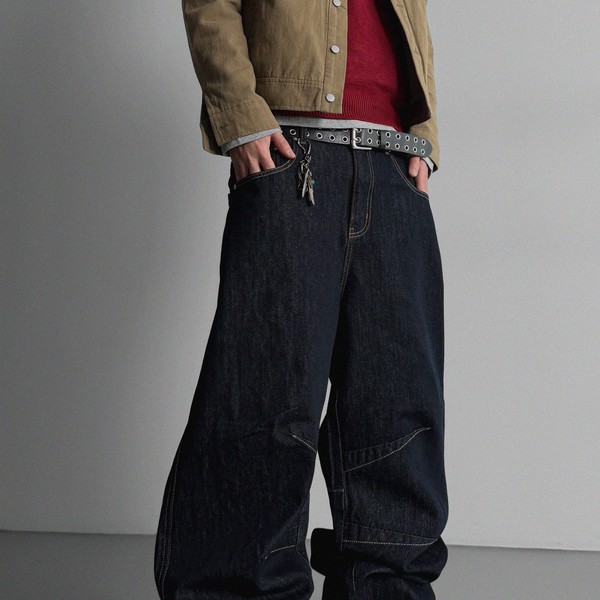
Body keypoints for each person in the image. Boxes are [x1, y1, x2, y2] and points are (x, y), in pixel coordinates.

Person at [154, 1, 449, 598]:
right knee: (265, 399)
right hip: (292, 157)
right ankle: (236, 588)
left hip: (393, 164)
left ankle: (387, 589)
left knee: (399, 402)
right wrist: (239, 115)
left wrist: (424, 136)